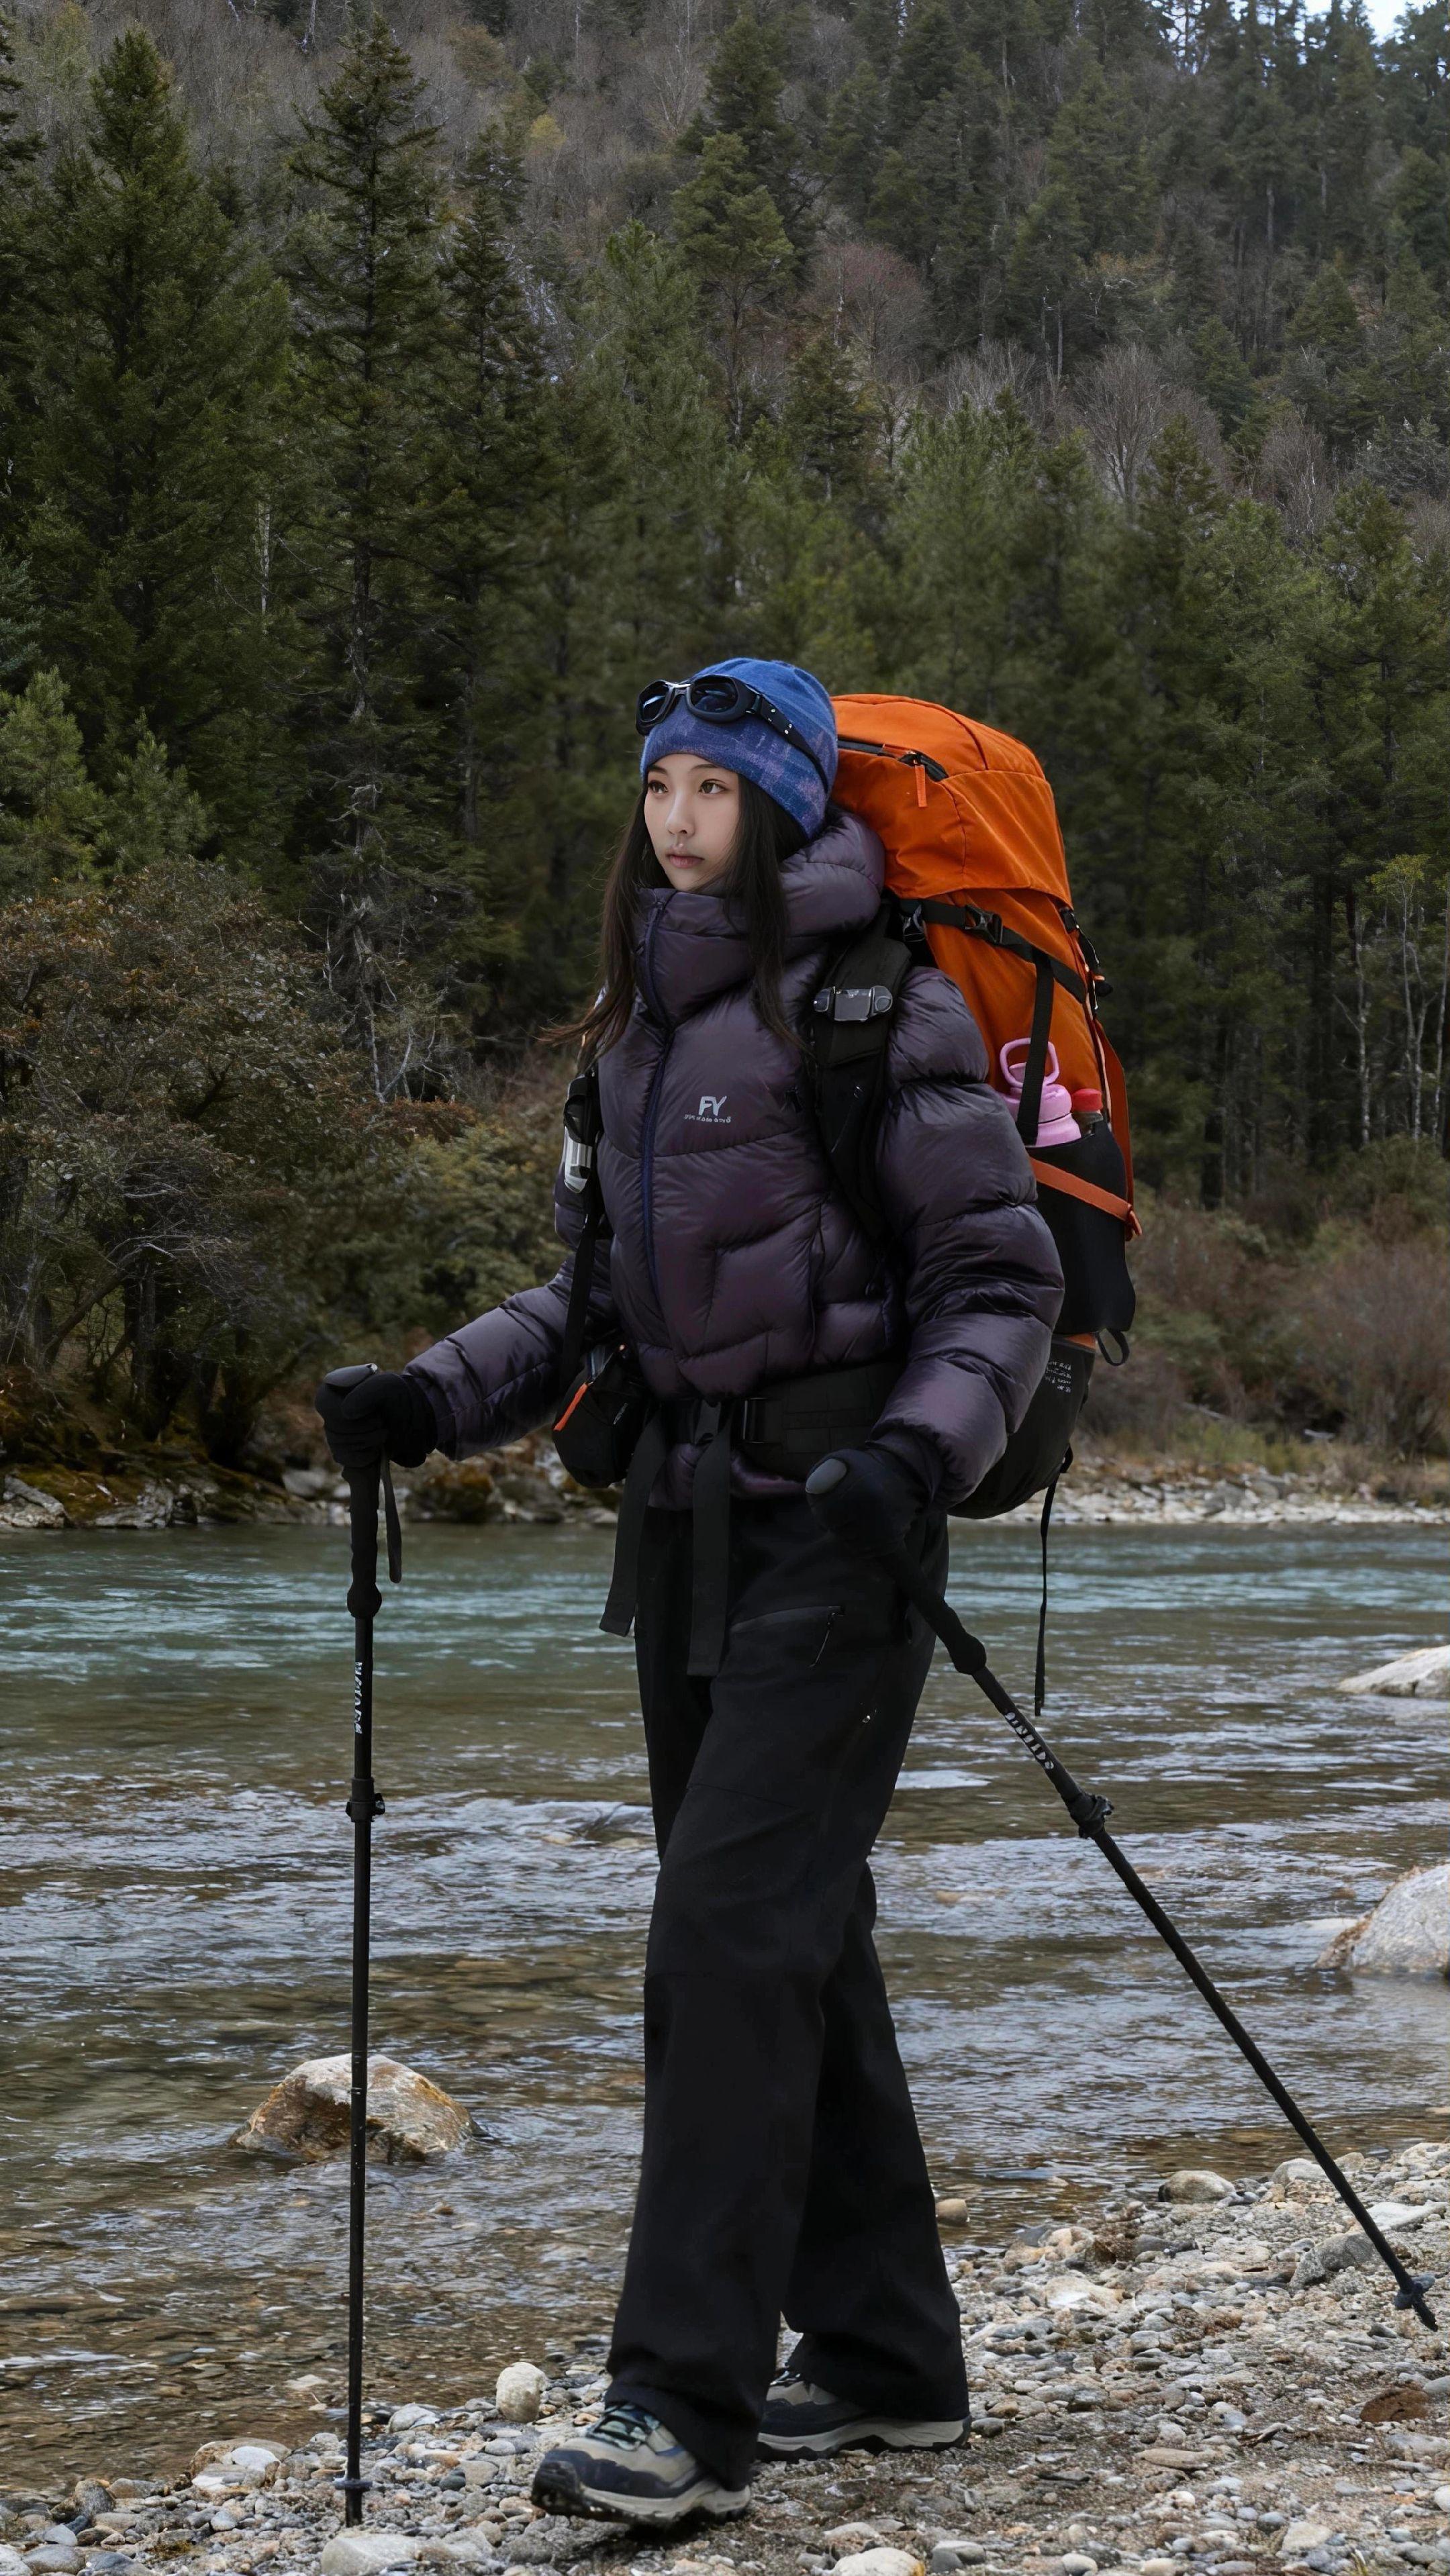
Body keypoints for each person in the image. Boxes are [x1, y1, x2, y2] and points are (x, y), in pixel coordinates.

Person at [317, 658, 1063, 2530]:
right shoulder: (637, 1031)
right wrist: (425, 1396)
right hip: (691, 1536)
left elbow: (1000, 1278)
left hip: (847, 1533)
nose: (676, 818)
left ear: (790, 808)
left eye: (717, 791)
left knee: (724, 1935)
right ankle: (889, 2358)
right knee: (786, 1928)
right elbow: (586, 1301)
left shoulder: (871, 1008)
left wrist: (919, 1455)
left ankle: (682, 2409)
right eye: (660, 786)